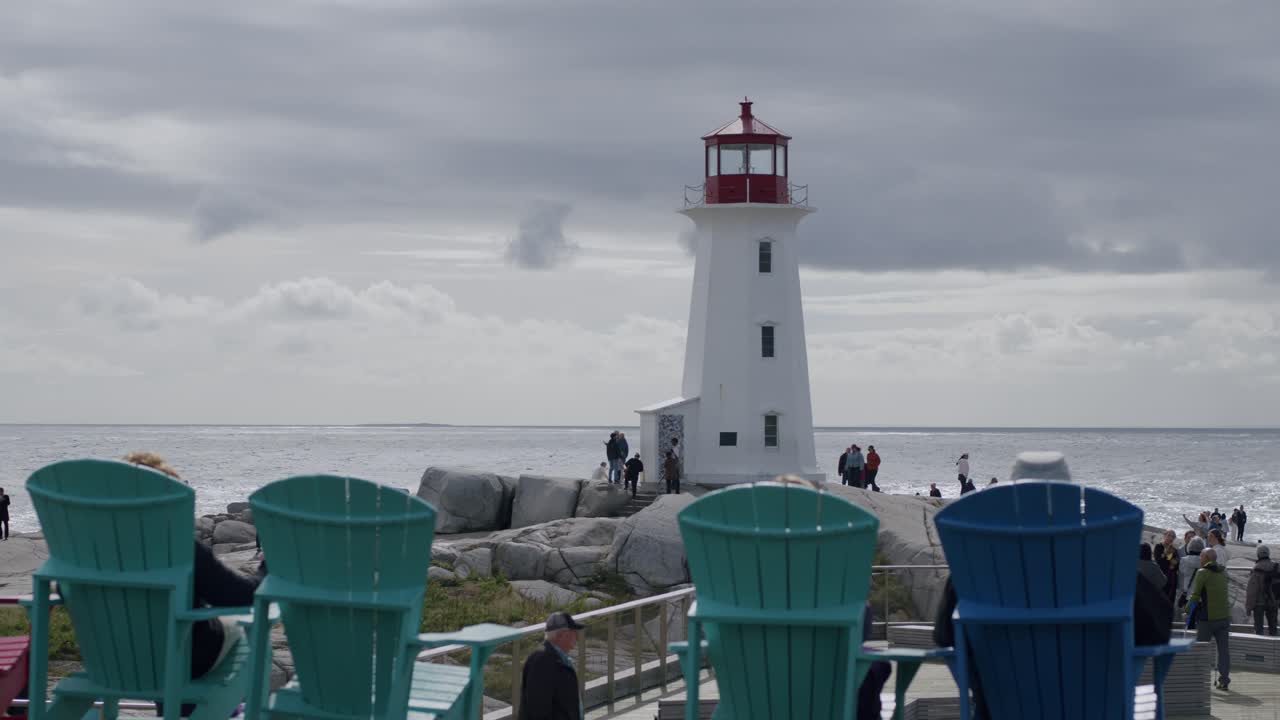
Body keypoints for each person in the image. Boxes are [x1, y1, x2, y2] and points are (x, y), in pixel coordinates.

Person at [518, 612, 584, 720]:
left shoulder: (559, 658)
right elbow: (539, 709)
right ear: (563, 635)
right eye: (573, 632)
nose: (576, 636)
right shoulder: (541, 661)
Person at [1186, 548, 1231, 690]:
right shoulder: (1223, 571)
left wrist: (1187, 610)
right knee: (1223, 650)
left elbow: (1195, 596)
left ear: (1206, 558)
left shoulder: (1202, 573)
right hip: (1224, 617)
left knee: (1201, 649)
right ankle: (1224, 680)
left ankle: (1199, 679)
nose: (1200, 558)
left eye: (1201, 556)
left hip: (1207, 618)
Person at [1246, 545, 1279, 636]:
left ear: (1258, 555)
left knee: (1259, 629)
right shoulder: (1276, 567)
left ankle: (1260, 647)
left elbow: (1252, 591)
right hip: (1273, 602)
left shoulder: (1256, 569)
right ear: (1268, 554)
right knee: (1273, 628)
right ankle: (1275, 648)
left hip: (1259, 604)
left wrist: (1249, 608)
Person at [1154, 530, 1181, 604]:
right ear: (1164, 536)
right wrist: (1166, 553)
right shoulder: (1159, 546)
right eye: (1169, 535)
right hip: (1161, 576)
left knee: (1170, 601)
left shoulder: (1175, 550)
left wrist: (1174, 562)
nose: (1171, 538)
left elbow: (1175, 565)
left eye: (1173, 536)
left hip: (1171, 578)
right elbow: (1159, 561)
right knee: (1159, 600)